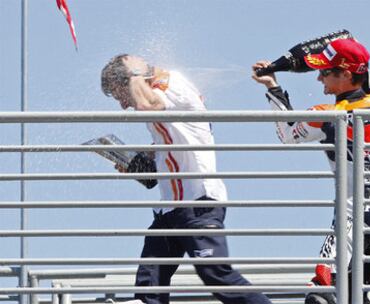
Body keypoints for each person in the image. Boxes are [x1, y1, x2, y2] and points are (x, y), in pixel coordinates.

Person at [101, 54, 272, 304]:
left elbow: (147, 107)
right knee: (149, 285)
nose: (123, 106)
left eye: (121, 95)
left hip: (198, 204)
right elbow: (169, 148)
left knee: (217, 275)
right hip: (171, 211)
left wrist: (133, 76)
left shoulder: (172, 86)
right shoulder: (159, 92)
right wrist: (137, 163)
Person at [252, 38, 370, 304]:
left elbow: (286, 134)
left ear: (346, 74)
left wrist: (273, 85)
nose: (319, 78)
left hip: (353, 218)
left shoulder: (327, 114)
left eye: (325, 72)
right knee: (354, 297)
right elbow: (359, 59)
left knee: (320, 295)